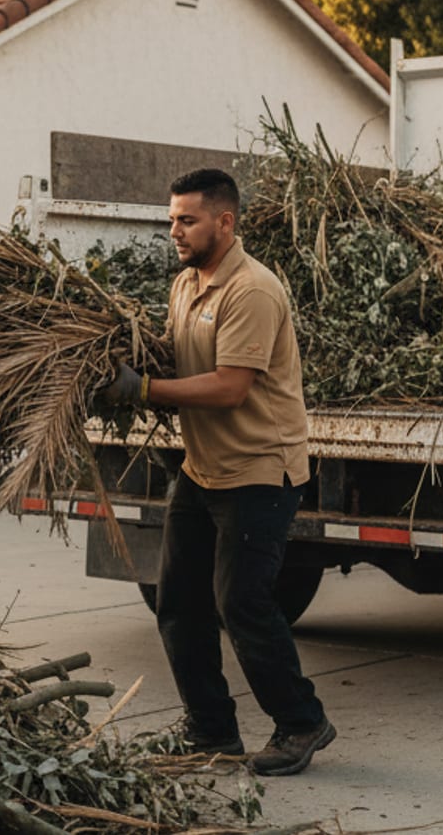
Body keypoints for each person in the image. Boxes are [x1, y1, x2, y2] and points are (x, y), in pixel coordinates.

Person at [101, 168, 334, 776]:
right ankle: (211, 730)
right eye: (172, 218)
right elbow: (181, 355)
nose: (173, 229)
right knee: (177, 602)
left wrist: (145, 389)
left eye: (187, 219)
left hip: (260, 471)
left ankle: (303, 723)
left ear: (224, 222)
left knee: (243, 604)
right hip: (204, 469)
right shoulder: (185, 284)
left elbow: (231, 387)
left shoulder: (251, 291)